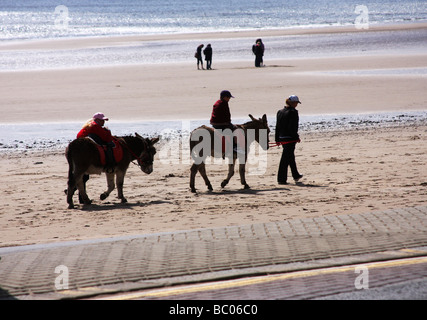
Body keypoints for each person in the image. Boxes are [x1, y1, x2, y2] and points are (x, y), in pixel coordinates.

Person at [275, 95, 303, 184]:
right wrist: (296, 137)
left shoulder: (280, 111)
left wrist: (277, 139)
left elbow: (277, 126)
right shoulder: (293, 112)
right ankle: (281, 179)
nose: (297, 105)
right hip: (290, 138)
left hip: (282, 138)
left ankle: (296, 175)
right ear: (292, 103)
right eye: (296, 103)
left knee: (290, 156)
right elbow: (293, 127)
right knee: (285, 158)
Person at [210, 90, 244, 155]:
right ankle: (234, 147)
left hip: (214, 123)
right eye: (228, 97)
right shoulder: (223, 103)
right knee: (235, 130)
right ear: (224, 97)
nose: (229, 99)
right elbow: (226, 115)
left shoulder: (217, 102)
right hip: (221, 124)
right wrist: (229, 123)